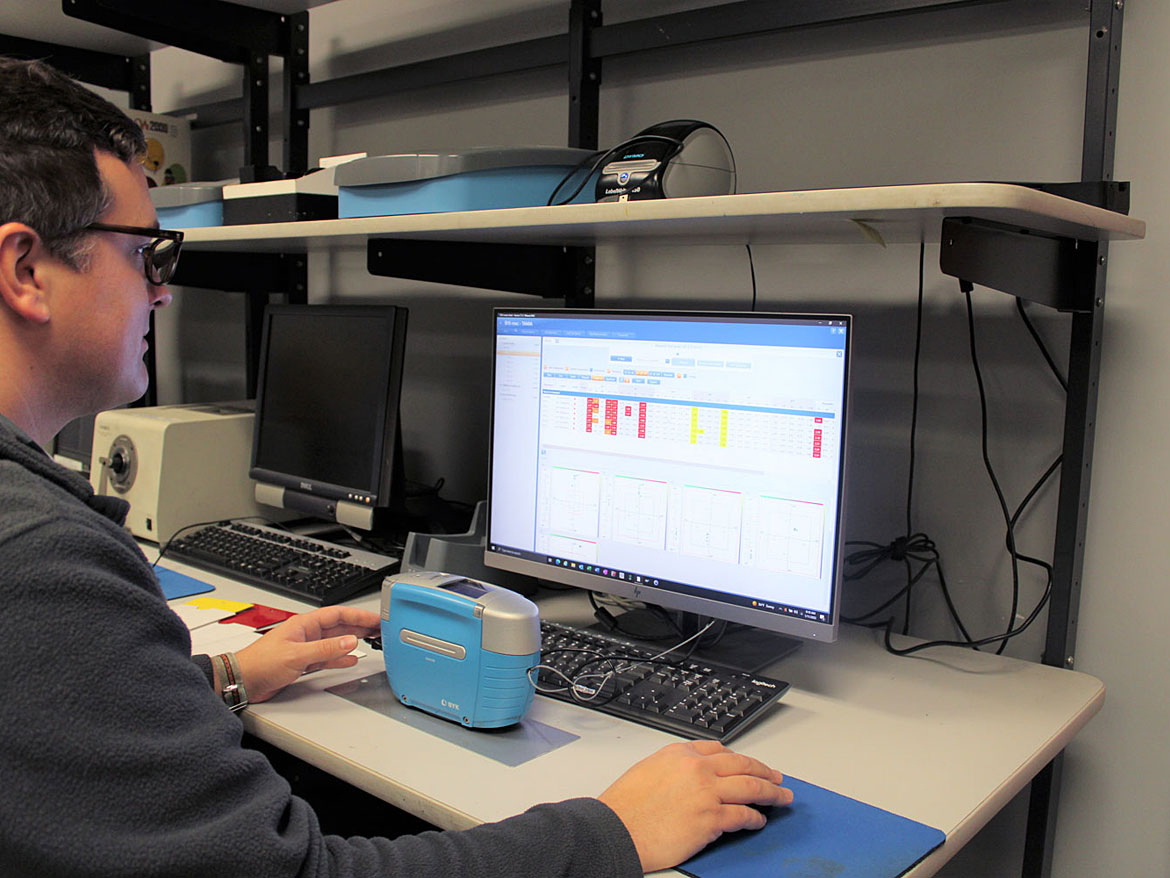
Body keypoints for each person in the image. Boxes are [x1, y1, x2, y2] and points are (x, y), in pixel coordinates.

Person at [0, 57, 793, 878]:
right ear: (26, 271)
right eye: (145, 256)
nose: (162, 292)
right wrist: (615, 831)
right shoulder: (39, 560)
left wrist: (222, 676)